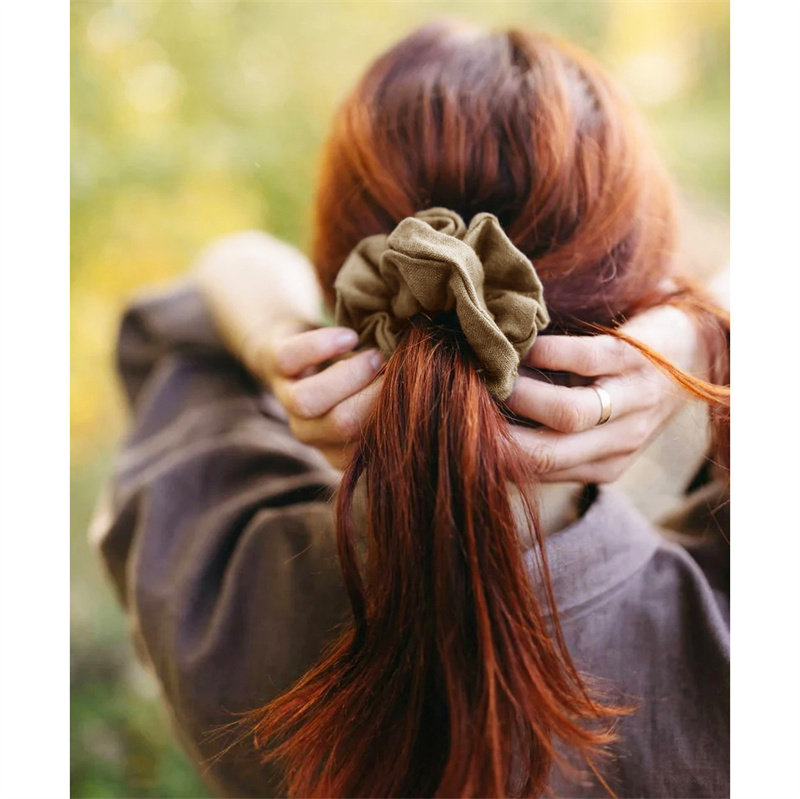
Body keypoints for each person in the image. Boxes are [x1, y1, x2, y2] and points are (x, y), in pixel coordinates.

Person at [92, 21, 730, 798]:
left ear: (349, 286)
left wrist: (277, 340)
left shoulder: (218, 583)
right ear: (640, 298)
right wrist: (708, 332)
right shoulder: (724, 648)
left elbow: (205, 296)